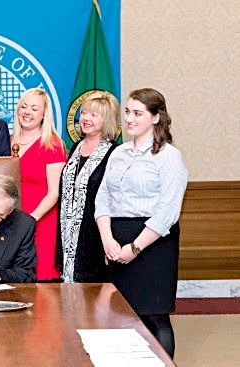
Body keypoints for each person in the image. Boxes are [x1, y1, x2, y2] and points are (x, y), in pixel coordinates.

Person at [95, 88, 188, 358]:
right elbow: (102, 200)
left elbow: (168, 212)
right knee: (120, 316)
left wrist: (134, 248)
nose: (129, 119)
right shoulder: (118, 153)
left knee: (154, 318)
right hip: (116, 240)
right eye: (127, 112)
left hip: (153, 244)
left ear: (156, 118)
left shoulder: (169, 156)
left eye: (138, 113)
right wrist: (108, 239)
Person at [57, 91, 120, 283]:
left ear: (107, 120)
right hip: (68, 236)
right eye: (84, 113)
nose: (85, 118)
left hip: (95, 240)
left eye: (94, 115)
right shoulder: (76, 147)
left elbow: (115, 200)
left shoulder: (114, 153)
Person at [10, 88, 66, 281]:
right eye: (24, 107)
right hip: (10, 221)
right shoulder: (8, 141)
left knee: (40, 283)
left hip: (40, 222)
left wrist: (30, 220)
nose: (27, 112)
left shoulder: (52, 144)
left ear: (44, 114)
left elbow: (54, 193)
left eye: (34, 108)